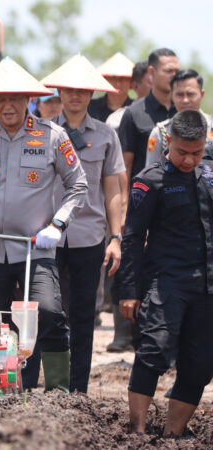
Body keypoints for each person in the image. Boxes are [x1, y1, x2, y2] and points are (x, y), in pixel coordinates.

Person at [0, 57, 88, 392]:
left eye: (15, 98)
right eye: (0, 98)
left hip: (35, 248)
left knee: (49, 313)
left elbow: (78, 185)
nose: (7, 105)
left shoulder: (52, 136)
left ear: (29, 100)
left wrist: (57, 225)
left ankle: (58, 392)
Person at [119, 110, 213, 436]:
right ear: (168, 141)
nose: (189, 160)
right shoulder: (150, 180)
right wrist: (129, 290)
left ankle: (175, 433)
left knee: (201, 364)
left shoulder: (210, 175)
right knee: (154, 350)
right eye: (182, 152)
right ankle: (137, 430)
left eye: (197, 152)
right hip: (167, 281)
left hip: (207, 287)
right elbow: (131, 237)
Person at [41, 54, 125, 393]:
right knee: (46, 312)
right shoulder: (43, 132)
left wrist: (115, 237)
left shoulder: (106, 135)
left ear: (91, 95)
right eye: (69, 89)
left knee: (84, 317)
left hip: (89, 237)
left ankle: (77, 391)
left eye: (82, 90)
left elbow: (113, 191)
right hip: (47, 236)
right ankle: (47, 385)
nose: (75, 95)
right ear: (58, 92)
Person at [119, 48, 179, 185]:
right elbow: (125, 166)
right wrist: (124, 204)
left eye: (177, 71)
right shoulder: (133, 113)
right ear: (152, 72)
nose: (175, 76)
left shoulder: (184, 111)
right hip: (145, 197)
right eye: (169, 71)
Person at [145, 69, 210, 167]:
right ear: (171, 96)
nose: (185, 100)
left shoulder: (211, 125)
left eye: (190, 94)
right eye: (179, 94)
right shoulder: (160, 132)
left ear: (202, 94)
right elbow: (151, 172)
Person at [88, 52, 134, 123]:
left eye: (123, 78)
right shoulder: (89, 107)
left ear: (131, 81)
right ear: (105, 79)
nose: (118, 83)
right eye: (113, 77)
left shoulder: (137, 108)